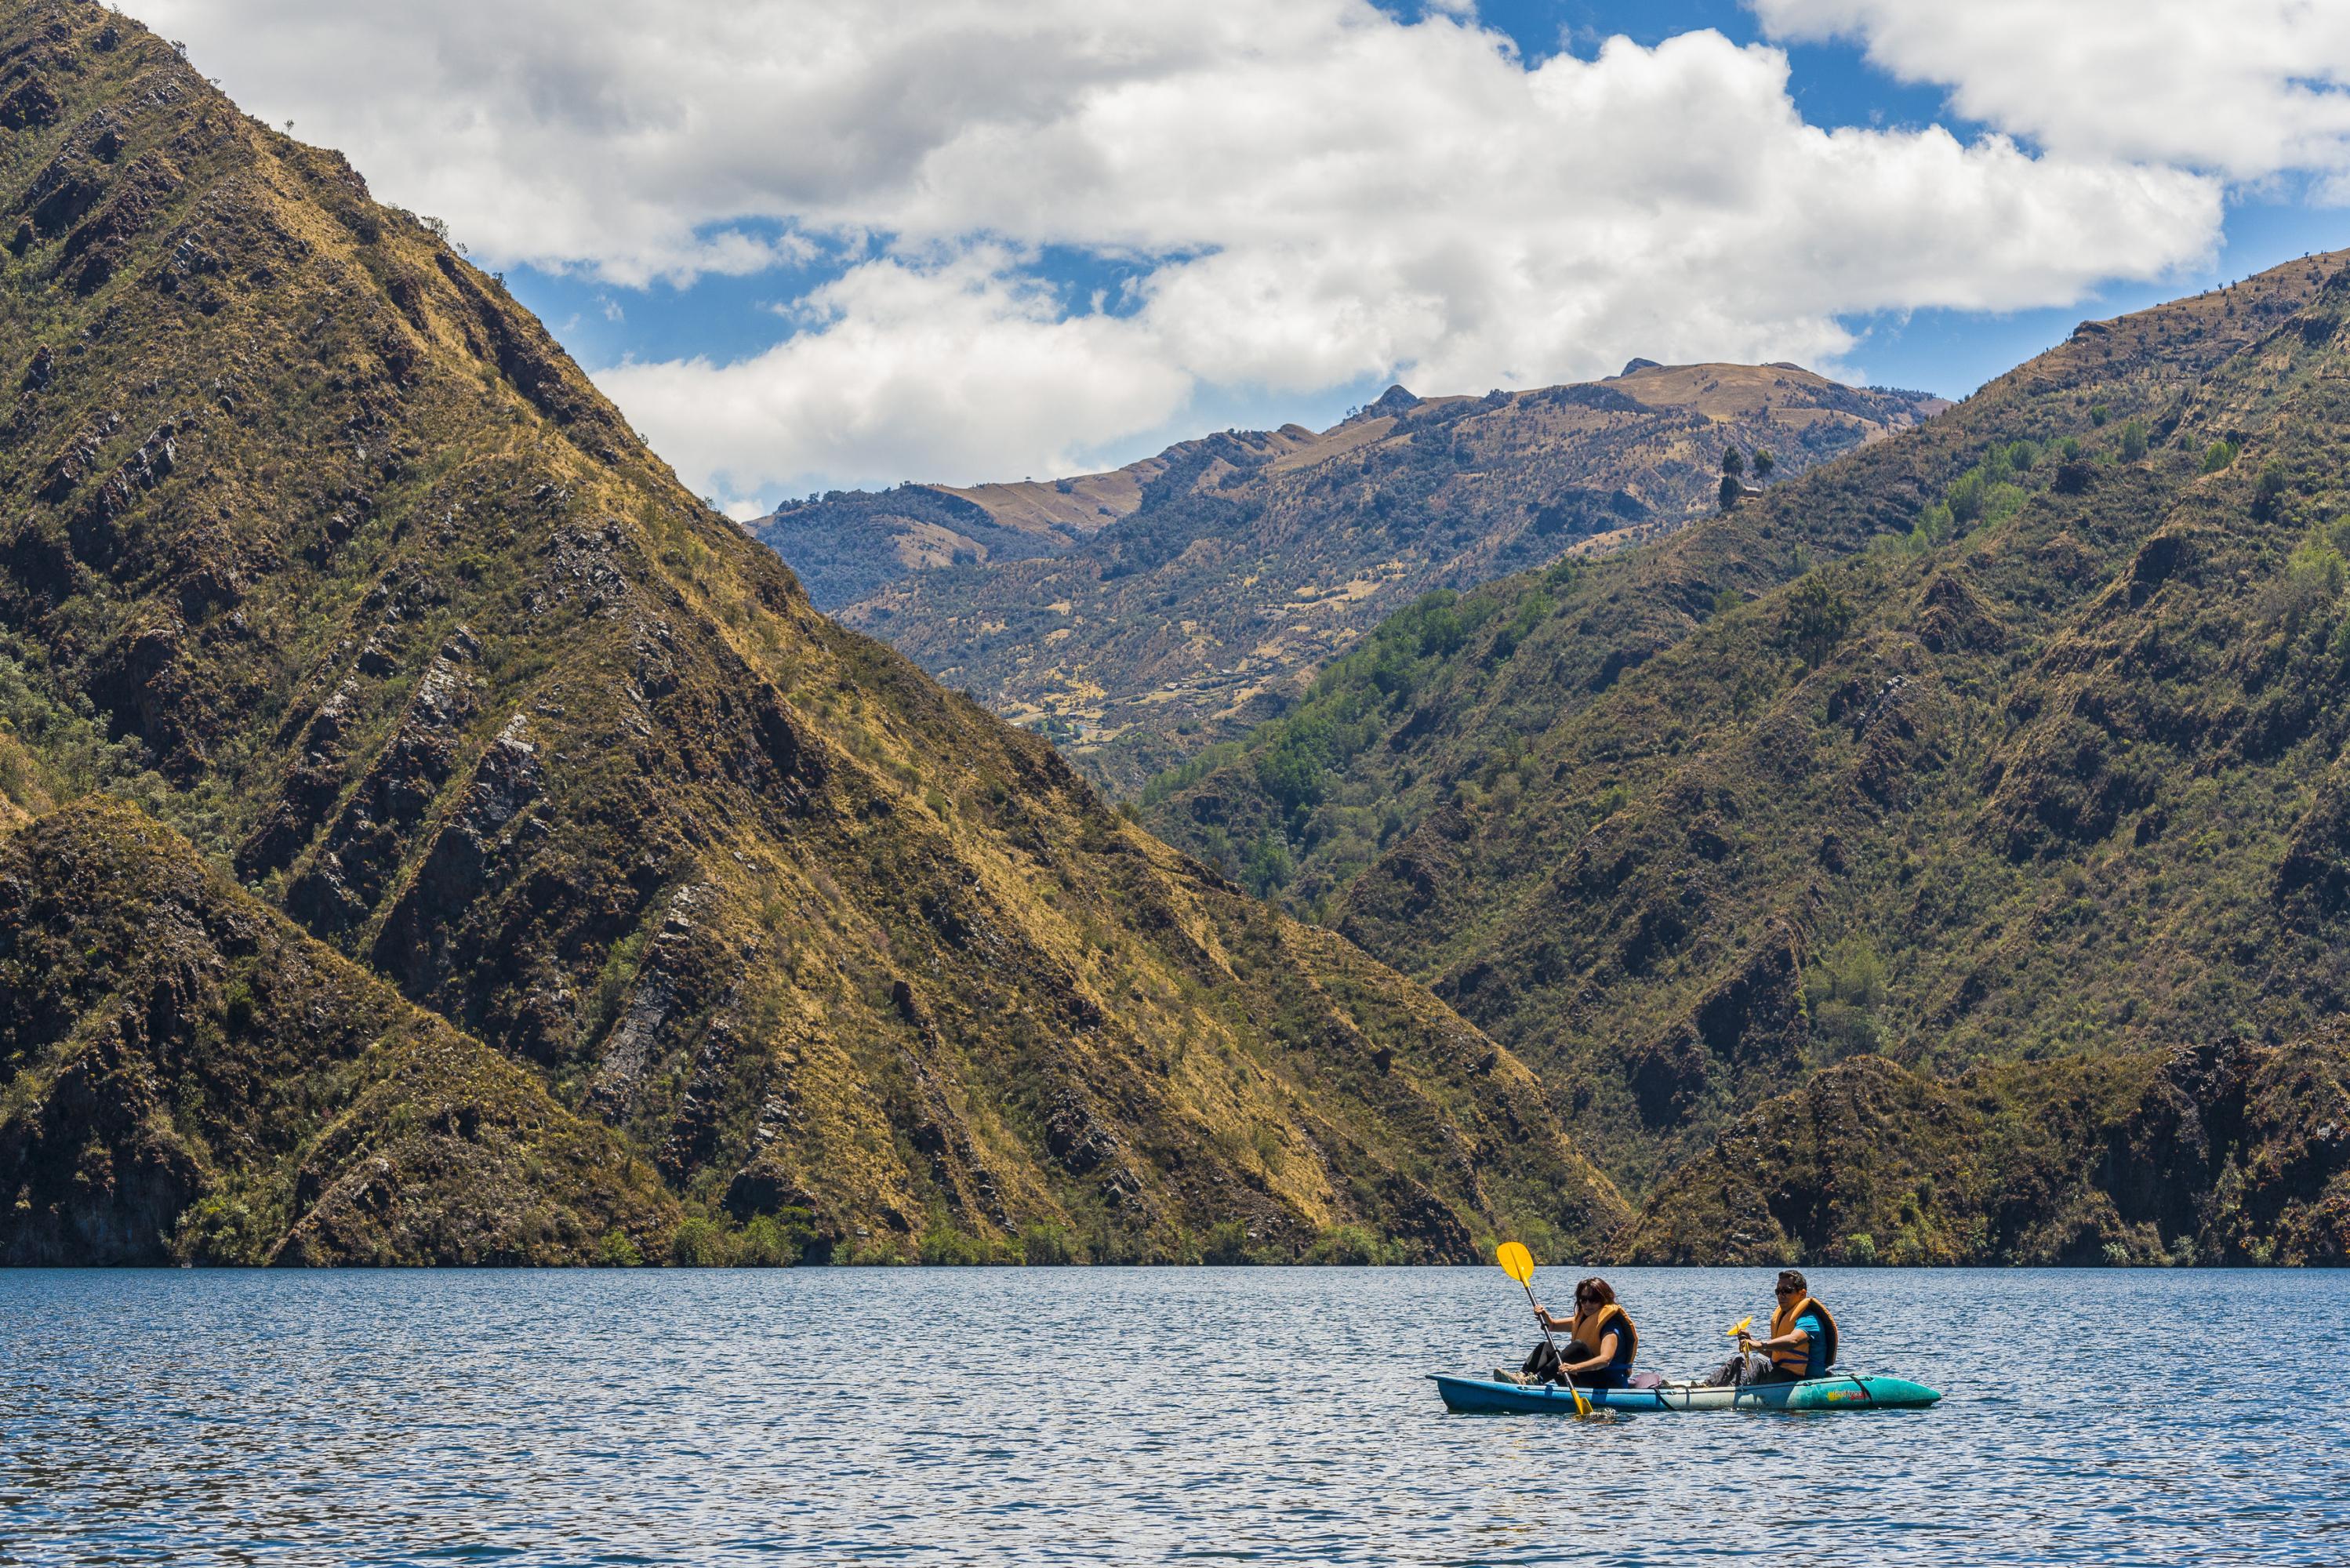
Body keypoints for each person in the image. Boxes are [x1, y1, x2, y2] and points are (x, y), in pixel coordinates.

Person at [1520, 1276, 1639, 1389]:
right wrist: (1544, 1314)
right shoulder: (1583, 1320)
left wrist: (1574, 1367)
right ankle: (1522, 1377)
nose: (1587, 1304)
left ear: (1604, 1300)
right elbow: (1553, 1325)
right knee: (1546, 1347)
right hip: (1582, 1378)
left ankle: (1538, 1379)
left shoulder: (1611, 1328)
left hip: (1607, 1384)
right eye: (1583, 1299)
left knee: (1579, 1347)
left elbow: (1605, 1359)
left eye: (1593, 1300)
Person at [1734, 1269, 1840, 1385]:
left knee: (1755, 1365)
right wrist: (1752, 1343)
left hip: (1803, 1379)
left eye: (1786, 1291)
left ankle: (1730, 1393)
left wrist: (1760, 1344)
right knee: (1737, 1362)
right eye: (1778, 1291)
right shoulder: (1783, 1317)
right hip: (1783, 1375)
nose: (1781, 1295)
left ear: (1802, 1294)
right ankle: (1711, 1387)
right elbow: (1776, 1355)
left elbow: (1794, 1340)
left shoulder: (1809, 1320)